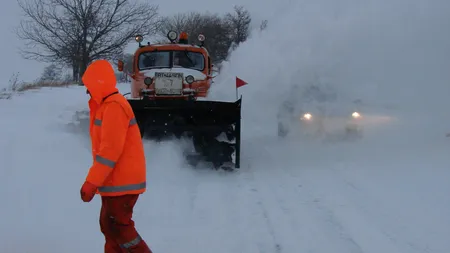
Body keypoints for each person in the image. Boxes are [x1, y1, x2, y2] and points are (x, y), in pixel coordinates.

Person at [80, 59, 152, 253]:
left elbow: (109, 151)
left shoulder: (114, 107)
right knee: (109, 226)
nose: (87, 91)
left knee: (119, 228)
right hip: (114, 182)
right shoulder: (105, 106)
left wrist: (91, 182)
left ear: (98, 84)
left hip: (123, 182)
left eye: (89, 86)